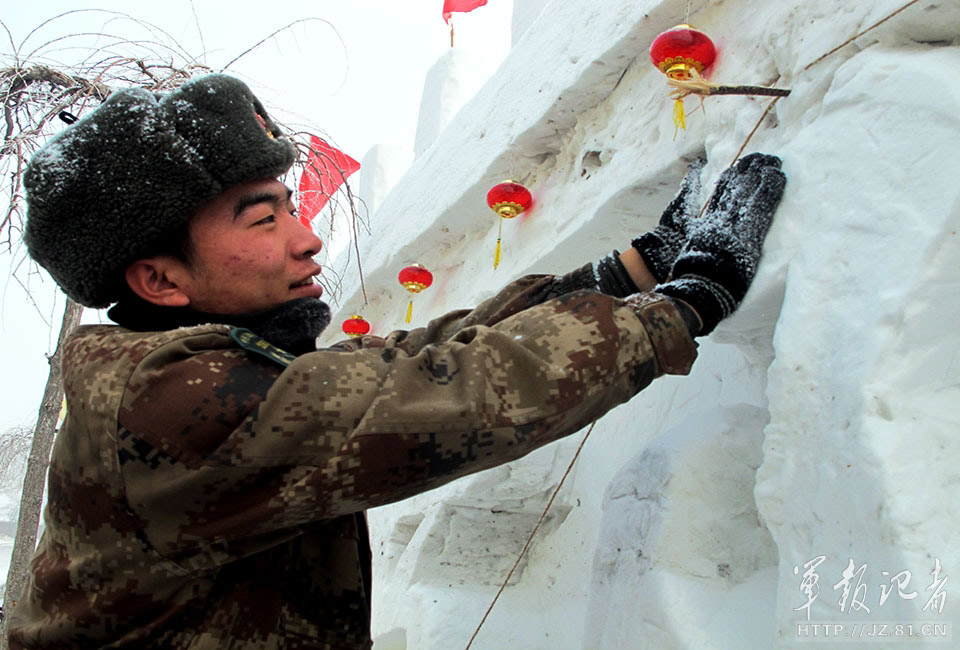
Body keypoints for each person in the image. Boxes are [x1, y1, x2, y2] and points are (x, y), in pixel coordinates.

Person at [7, 74, 785, 649]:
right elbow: (440, 396)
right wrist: (683, 306)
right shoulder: (168, 401)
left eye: (293, 206)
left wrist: (628, 271)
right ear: (160, 280)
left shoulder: (208, 366)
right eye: (263, 218)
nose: (307, 238)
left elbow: (408, 356)